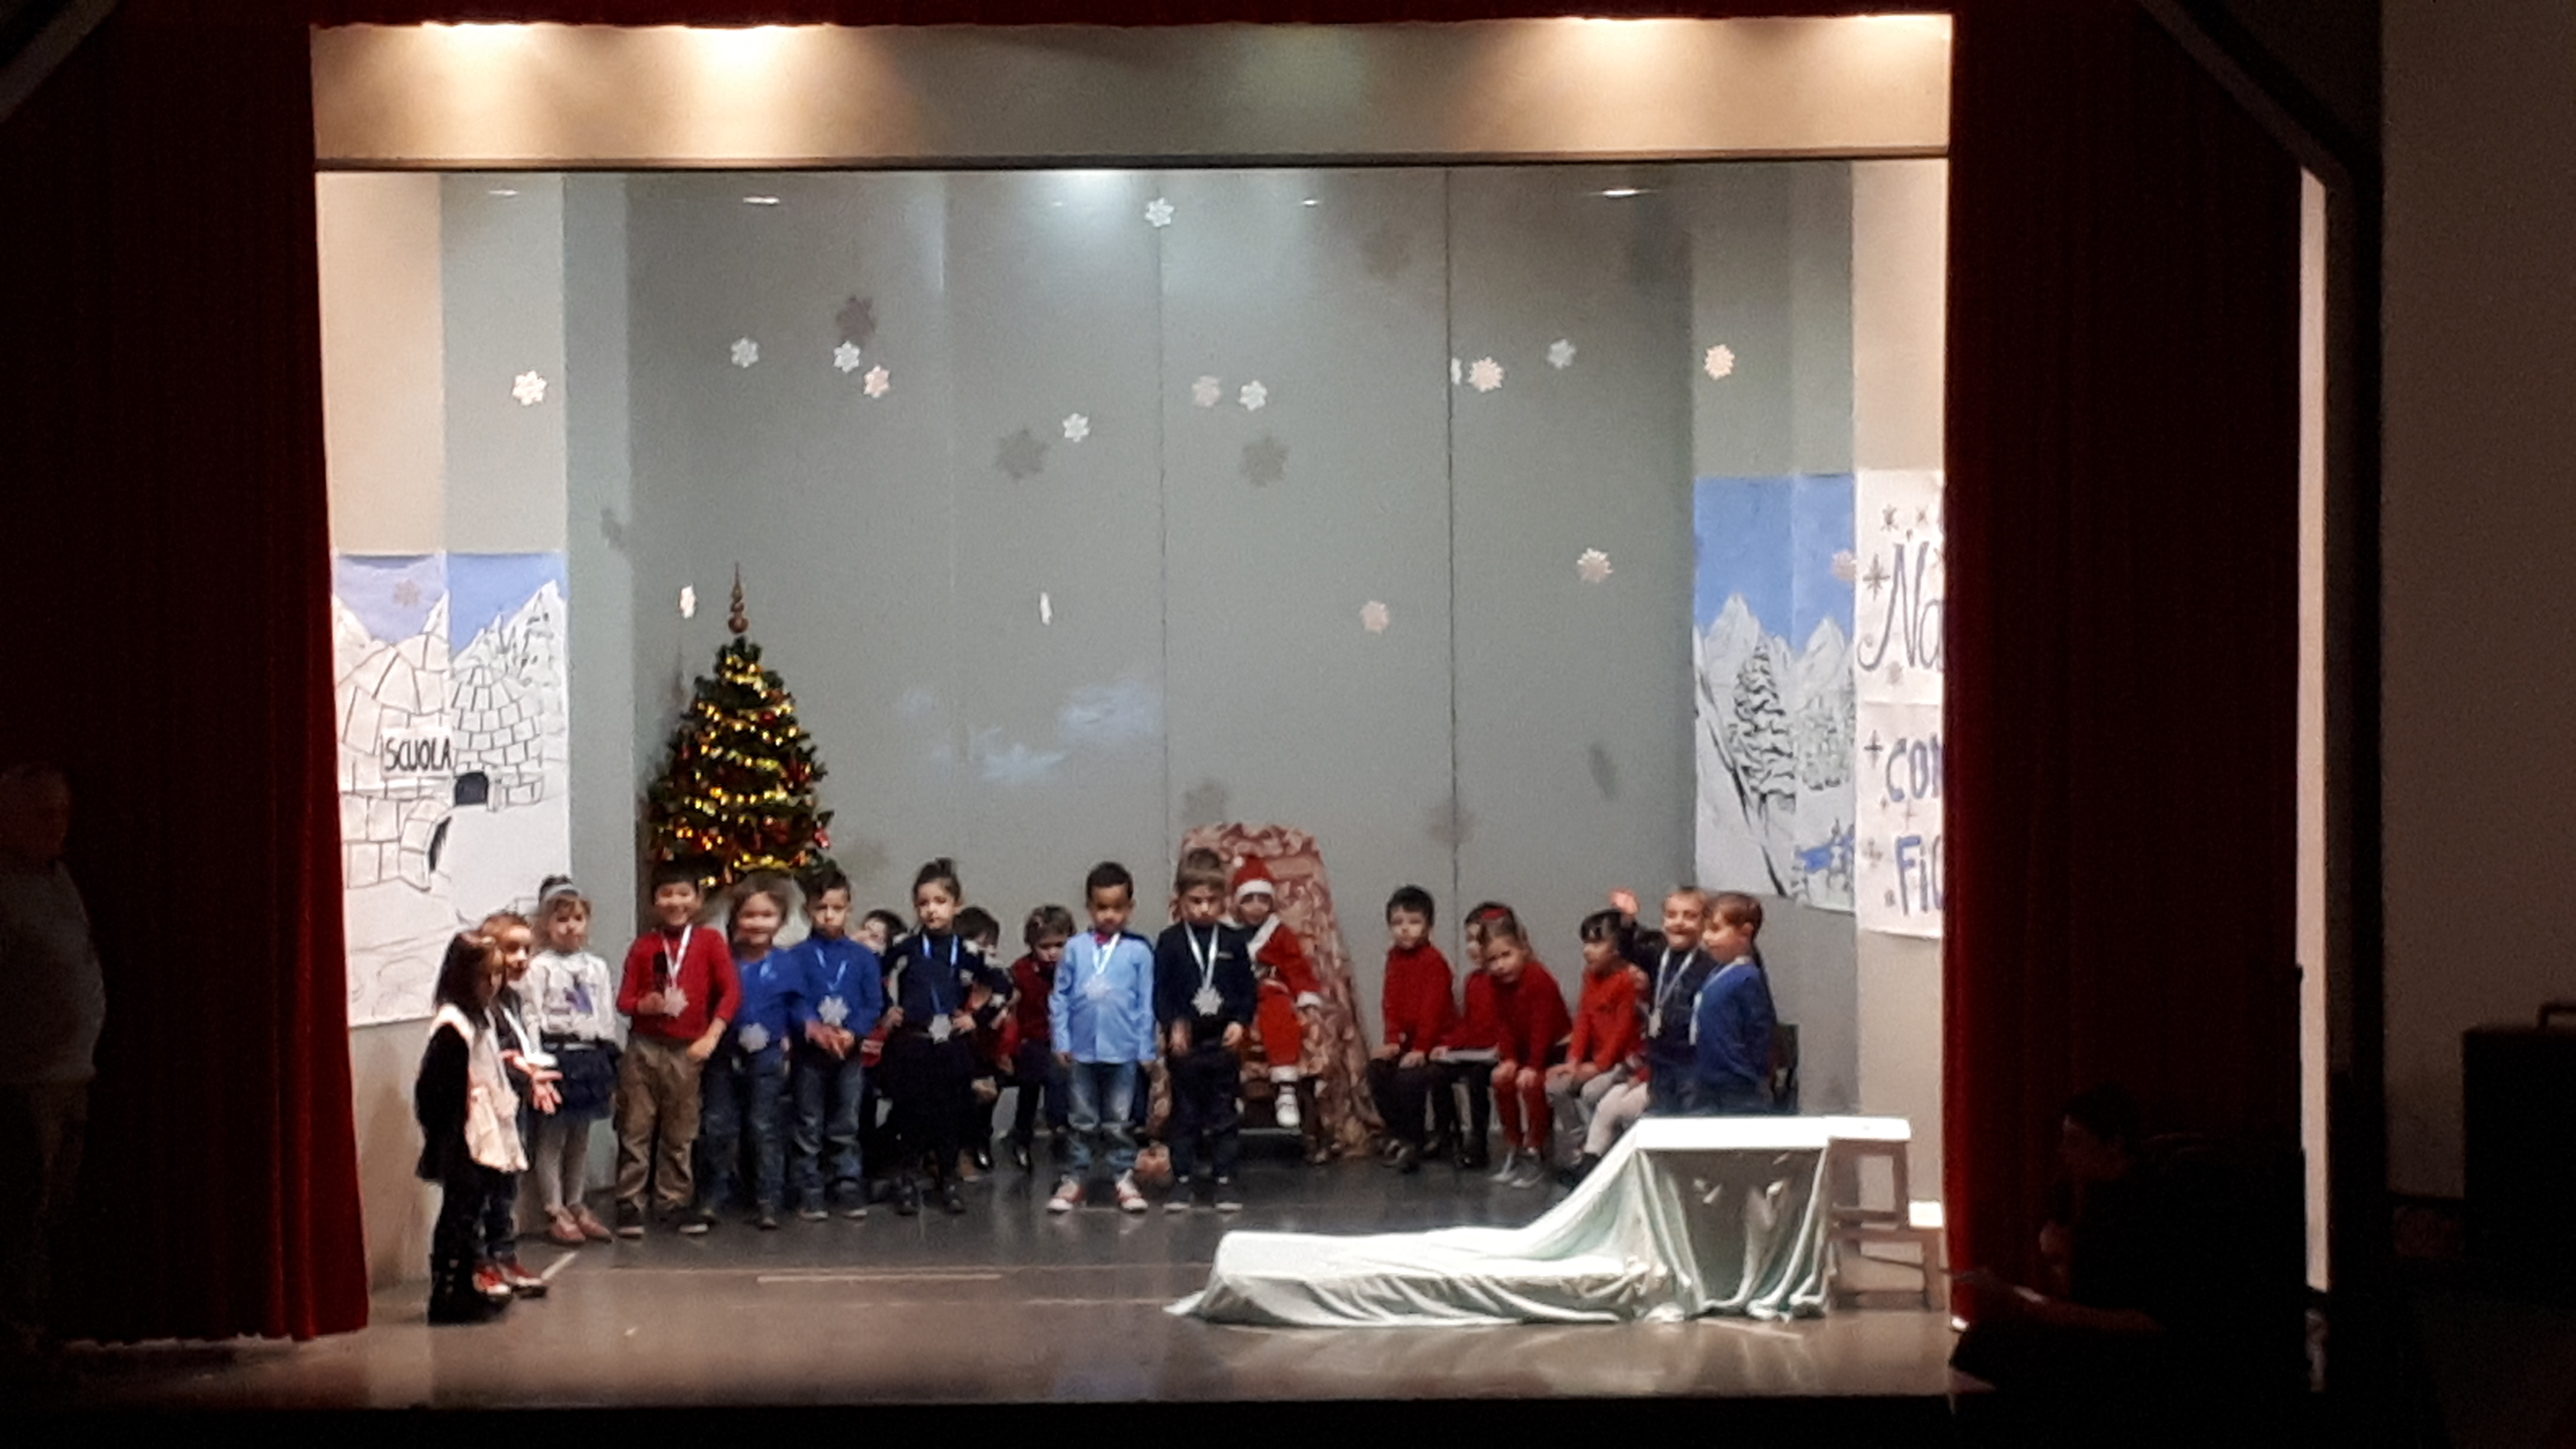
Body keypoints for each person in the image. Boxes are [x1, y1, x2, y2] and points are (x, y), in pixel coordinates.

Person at [0, 763, 105, 1380]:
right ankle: (17, 1335)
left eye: (63, 813)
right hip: (22, 1081)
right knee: (20, 1211)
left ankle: (39, 1325)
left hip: (71, 1074)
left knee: (52, 1211)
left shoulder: (58, 879)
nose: (58, 825)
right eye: (44, 814)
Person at [612, 861, 741, 1237]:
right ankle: (630, 1201)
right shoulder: (644, 946)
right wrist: (644, 1005)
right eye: (666, 894)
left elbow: (731, 993)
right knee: (636, 1126)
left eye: (684, 894)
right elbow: (624, 1000)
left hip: (689, 1049)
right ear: (654, 902)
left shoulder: (710, 942)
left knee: (681, 1130)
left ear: (699, 900)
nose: (675, 902)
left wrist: (712, 1036)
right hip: (644, 1048)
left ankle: (673, 1201)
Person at [879, 858, 1010, 1216]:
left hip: (952, 1047)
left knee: (950, 1116)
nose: (931, 910)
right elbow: (871, 975)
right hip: (913, 1043)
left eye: (940, 901)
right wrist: (886, 1009)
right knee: (909, 1115)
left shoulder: (967, 951)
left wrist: (977, 1018)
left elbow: (1003, 985)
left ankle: (948, 1179)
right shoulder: (905, 945)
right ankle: (907, 1179)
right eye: (923, 903)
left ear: (957, 904)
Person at [414, 933, 525, 1325]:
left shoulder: (482, 1019)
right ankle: (446, 1293)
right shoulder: (453, 1026)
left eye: (496, 975)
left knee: (472, 1211)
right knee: (458, 1214)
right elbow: (434, 1090)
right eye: (484, 976)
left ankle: (464, 1285)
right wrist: (450, 1137)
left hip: (481, 1129)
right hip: (462, 1135)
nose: (492, 984)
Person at [1047, 864, 1157, 1214]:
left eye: (1117, 907)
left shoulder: (1139, 952)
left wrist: (1146, 1048)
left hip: (1123, 1050)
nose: (1109, 915)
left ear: (1130, 908)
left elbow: (1146, 1002)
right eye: (1101, 907)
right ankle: (1075, 1177)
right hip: (1082, 1050)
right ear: (1089, 907)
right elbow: (1060, 997)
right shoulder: (1075, 949)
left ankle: (1123, 1176)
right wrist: (1061, 1040)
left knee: (1119, 1120)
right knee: (1081, 1119)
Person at [696, 874, 801, 1230]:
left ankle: (769, 1198)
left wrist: (794, 1035)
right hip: (725, 1053)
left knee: (764, 1125)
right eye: (749, 915)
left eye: (767, 916)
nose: (757, 923)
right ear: (736, 918)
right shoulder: (724, 960)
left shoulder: (787, 963)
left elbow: (797, 1005)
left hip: (768, 1054)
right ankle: (715, 1193)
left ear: (781, 921)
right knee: (718, 1124)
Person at [1153, 853, 1257, 1212]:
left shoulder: (1232, 941)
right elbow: (1162, 991)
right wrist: (1172, 1023)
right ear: (1179, 900)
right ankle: (1182, 1180)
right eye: (1195, 901)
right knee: (1185, 1115)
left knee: (1224, 1114)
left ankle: (1225, 1179)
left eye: (1212, 901)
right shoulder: (1170, 942)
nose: (1203, 908)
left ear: (1224, 901)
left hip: (1222, 1043)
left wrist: (1240, 1021)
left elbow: (1247, 989)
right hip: (1186, 1045)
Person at [525, 878, 621, 1245]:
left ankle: (577, 1200)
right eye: (561, 919)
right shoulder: (539, 967)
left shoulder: (596, 967)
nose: (570, 927)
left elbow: (604, 1012)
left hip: (589, 1053)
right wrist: (536, 1062)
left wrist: (609, 1052)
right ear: (546, 924)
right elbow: (532, 1015)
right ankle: (554, 1207)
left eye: (578, 919)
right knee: (552, 1136)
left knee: (581, 1135)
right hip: (556, 1053)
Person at [786, 865, 882, 1221]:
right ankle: (808, 1187)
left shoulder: (863, 958)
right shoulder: (796, 956)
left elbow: (873, 1003)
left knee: (846, 1122)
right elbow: (793, 999)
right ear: (807, 910)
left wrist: (853, 1032)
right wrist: (812, 1027)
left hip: (849, 1053)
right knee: (808, 1122)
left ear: (849, 908)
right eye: (821, 908)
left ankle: (846, 1182)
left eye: (837, 908)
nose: (829, 916)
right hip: (811, 1054)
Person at [475, 910, 555, 1297]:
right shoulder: (479, 1005)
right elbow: (491, 1058)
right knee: (484, 1190)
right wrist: (522, 1071)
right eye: (511, 949)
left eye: (527, 949)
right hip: (485, 1112)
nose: (521, 958)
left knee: (507, 1188)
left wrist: (531, 1075)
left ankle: (504, 1255)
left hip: (512, 1106)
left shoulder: (512, 999)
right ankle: (480, 1263)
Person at [1463, 908, 1573, 1188]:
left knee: (1531, 1085)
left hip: (1554, 1050)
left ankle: (1537, 1148)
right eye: (1492, 960)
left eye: (1506, 955)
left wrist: (1533, 1065)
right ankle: (1514, 1145)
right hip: (1525, 1051)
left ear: (1522, 948)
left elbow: (1542, 1027)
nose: (1500, 965)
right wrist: (1510, 1059)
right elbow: (1503, 1024)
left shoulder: (1538, 979)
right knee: (1502, 1079)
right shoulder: (1495, 984)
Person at [1229, 857, 1328, 1162]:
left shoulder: (1280, 933)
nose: (1256, 907)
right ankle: (1231, 1090)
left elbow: (1296, 967)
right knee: (1227, 1024)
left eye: (1263, 900)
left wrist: (1305, 996)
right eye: (1249, 900)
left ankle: (1286, 1088)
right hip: (1236, 992)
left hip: (1270, 989)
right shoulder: (1227, 933)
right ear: (1238, 903)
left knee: (1280, 1017)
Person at [1363, 884, 1454, 1175]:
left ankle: (1414, 1142)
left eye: (1414, 922)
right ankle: (1399, 1133)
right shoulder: (1394, 958)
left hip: (1438, 1043)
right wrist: (1392, 1040)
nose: (1405, 929)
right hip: (1407, 1043)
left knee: (1409, 1078)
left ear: (1429, 926)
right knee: (1377, 1070)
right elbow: (1390, 1002)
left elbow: (1433, 1010)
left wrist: (1421, 1048)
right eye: (1397, 923)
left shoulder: (1434, 962)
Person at [1549, 909, 1642, 1183]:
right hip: (1597, 1059)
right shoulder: (1590, 976)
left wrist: (1601, 1066)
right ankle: (1581, 1147)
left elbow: (1624, 1029)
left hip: (1623, 1062)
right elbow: (1584, 1020)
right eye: (1586, 943)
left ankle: (1605, 1155)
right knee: (1555, 1086)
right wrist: (1574, 1060)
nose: (1588, 951)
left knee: (1593, 1092)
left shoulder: (1629, 980)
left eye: (1597, 943)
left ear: (1618, 948)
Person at [1608, 886, 1717, 1114]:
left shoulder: (1709, 963)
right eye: (1671, 915)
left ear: (1705, 923)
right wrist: (1628, 920)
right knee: (1662, 1113)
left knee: (1694, 1117)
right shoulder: (1658, 953)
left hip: (1694, 1061)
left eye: (1690, 916)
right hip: (1660, 1057)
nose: (1679, 922)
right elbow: (1629, 949)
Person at [1682, 891, 1777, 1114]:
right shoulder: (1717, 972)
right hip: (1707, 1078)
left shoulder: (1747, 978)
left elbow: (1759, 1031)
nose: (1707, 938)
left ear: (1745, 933)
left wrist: (1757, 1075)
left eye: (1715, 930)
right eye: (1705, 930)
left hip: (1737, 1084)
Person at [1003, 904, 1074, 1173]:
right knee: (1033, 1076)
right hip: (1031, 1040)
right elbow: (1012, 1015)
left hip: (1066, 1041)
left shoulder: (1076, 970)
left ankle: (1062, 1127)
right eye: (1045, 946)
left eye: (1060, 945)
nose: (1053, 952)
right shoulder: (1021, 972)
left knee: (1063, 1070)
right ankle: (1023, 1136)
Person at [953, 905, 1008, 1178]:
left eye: (992, 945)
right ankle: (961, 1149)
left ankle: (981, 1141)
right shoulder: (955, 985)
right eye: (982, 946)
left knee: (992, 1083)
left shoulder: (1001, 985)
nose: (989, 951)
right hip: (960, 1058)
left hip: (991, 1055)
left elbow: (1007, 1029)